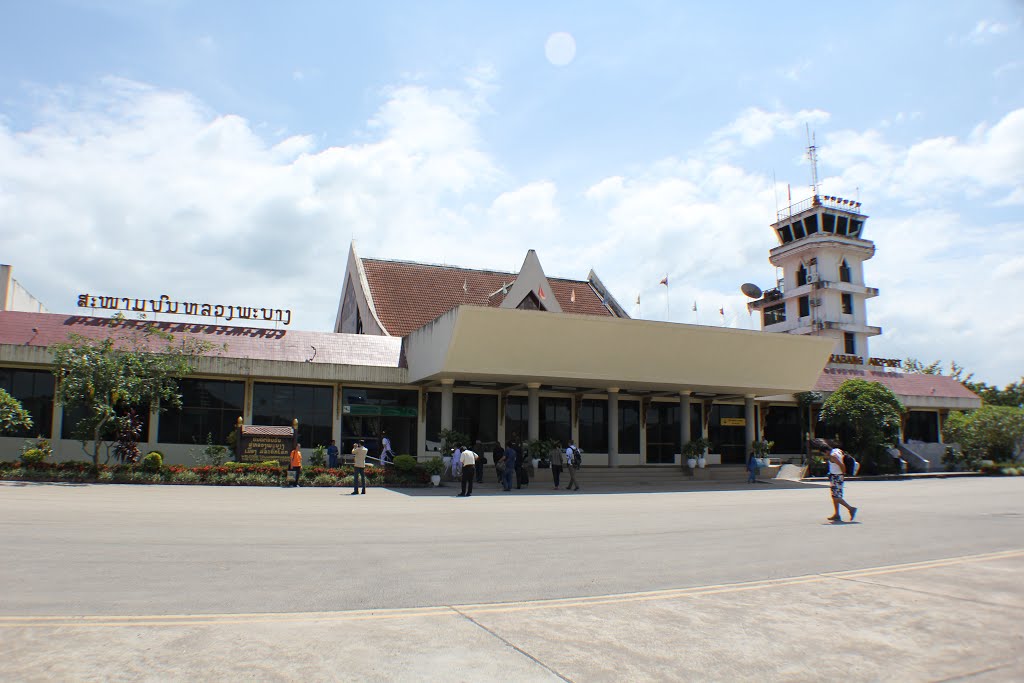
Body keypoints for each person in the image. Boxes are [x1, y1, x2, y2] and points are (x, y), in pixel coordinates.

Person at [819, 441, 857, 522]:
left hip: (837, 477)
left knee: (837, 497)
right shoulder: (837, 450)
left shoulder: (833, 456)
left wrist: (842, 474)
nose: (824, 455)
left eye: (824, 453)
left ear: (826, 451)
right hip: (836, 476)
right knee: (834, 496)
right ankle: (837, 514)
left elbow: (841, 465)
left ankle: (851, 509)